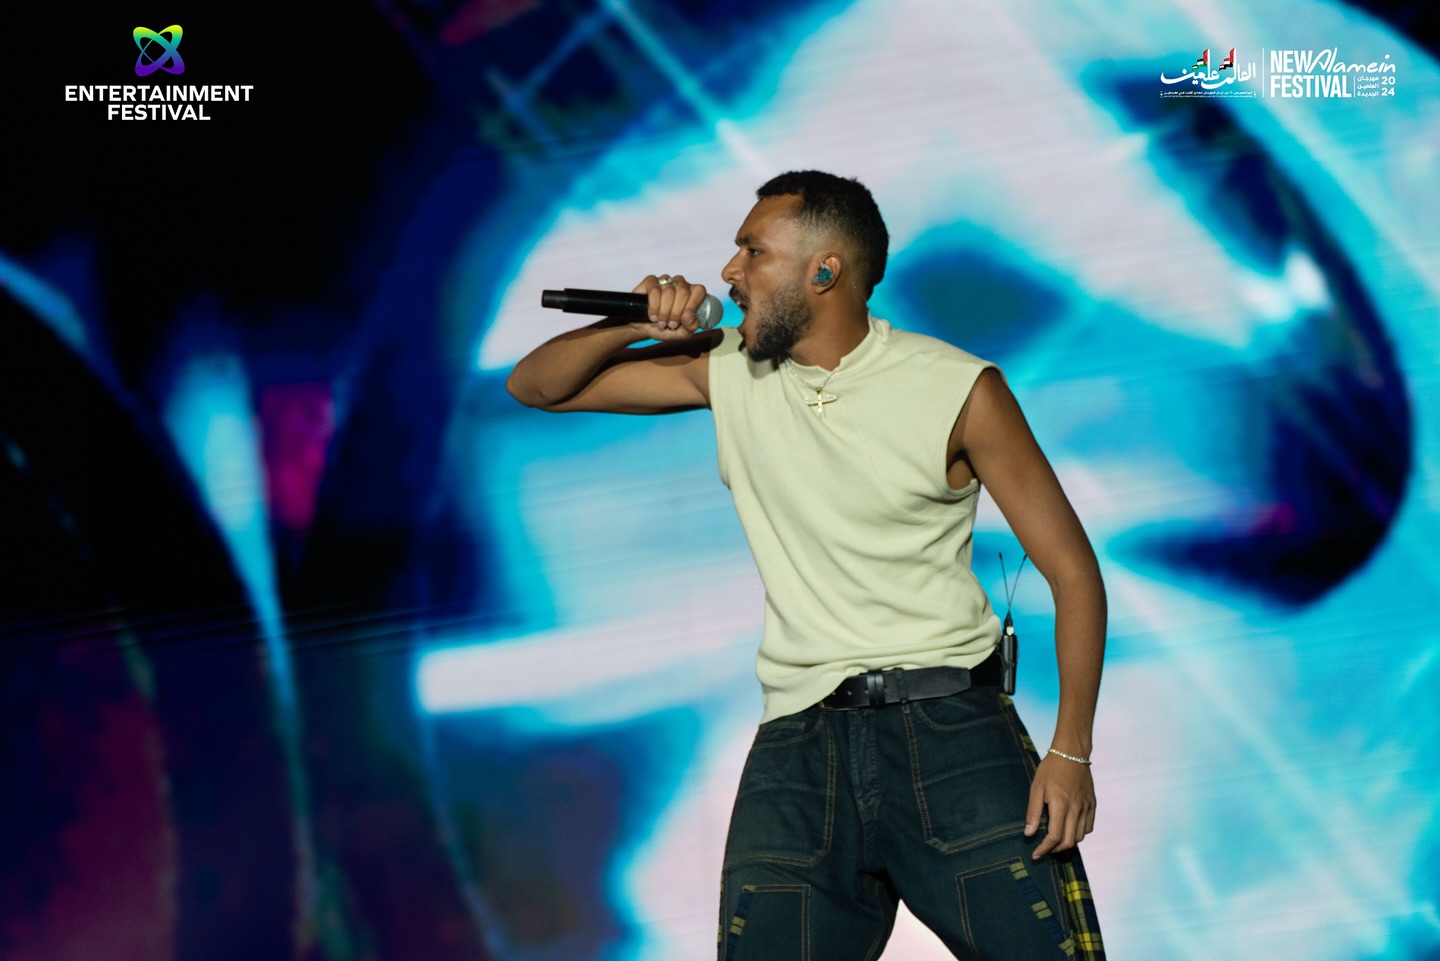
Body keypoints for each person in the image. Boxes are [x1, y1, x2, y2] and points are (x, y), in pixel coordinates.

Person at [507, 170, 1105, 960]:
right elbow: (536, 386)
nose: (729, 271)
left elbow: (1073, 572)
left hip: (953, 730)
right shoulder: (727, 368)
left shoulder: (959, 388)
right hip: (799, 742)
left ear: (825, 271)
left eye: (753, 251)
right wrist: (632, 321)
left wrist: (1070, 752)